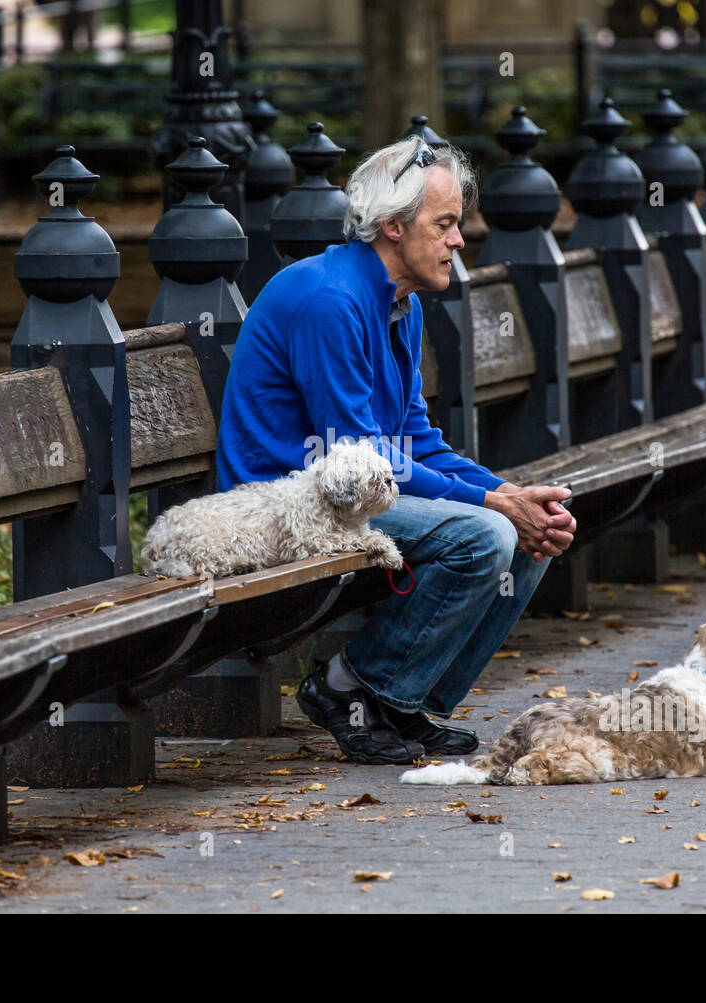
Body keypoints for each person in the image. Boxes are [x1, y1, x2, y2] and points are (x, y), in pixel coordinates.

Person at [216, 136, 576, 765]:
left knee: (526, 532)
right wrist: (490, 501)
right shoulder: (331, 299)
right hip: (285, 502)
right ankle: (348, 689)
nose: (459, 241)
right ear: (391, 226)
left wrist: (511, 496)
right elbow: (355, 463)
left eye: (457, 225)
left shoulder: (399, 301)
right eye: (444, 225)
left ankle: (409, 707)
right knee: (484, 536)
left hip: (347, 490)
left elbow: (413, 441)